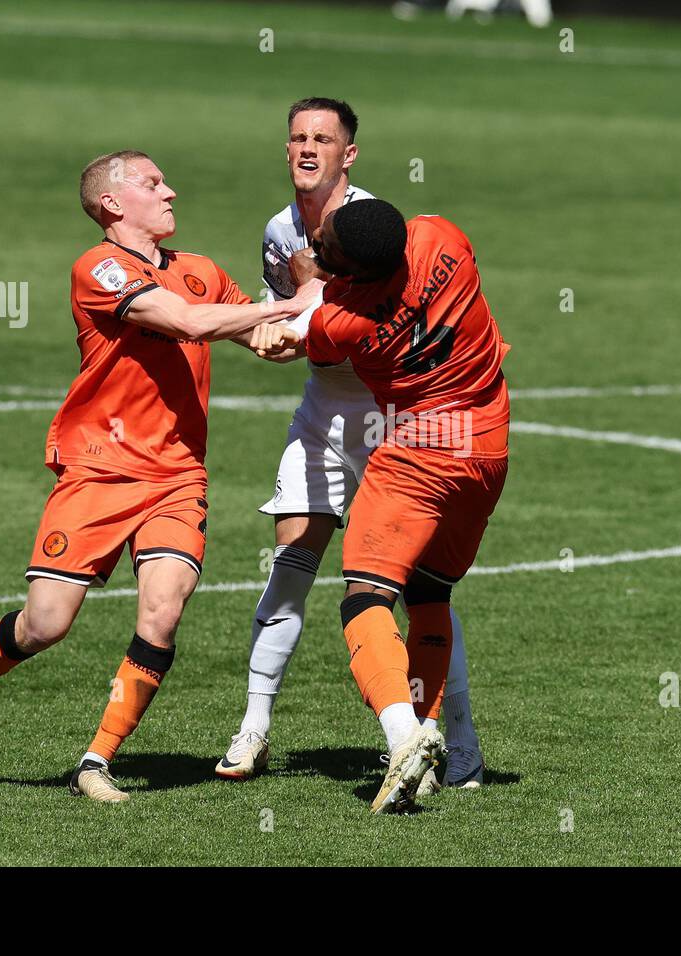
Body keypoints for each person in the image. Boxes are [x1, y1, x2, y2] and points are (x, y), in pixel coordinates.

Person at [0, 150, 319, 802]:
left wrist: (316, 309)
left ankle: (94, 763)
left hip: (177, 476)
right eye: (153, 183)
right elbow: (187, 323)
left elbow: (269, 344)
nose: (171, 191)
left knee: (163, 614)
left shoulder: (201, 271)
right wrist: (288, 301)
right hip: (99, 472)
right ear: (112, 204)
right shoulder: (97, 267)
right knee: (46, 624)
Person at [218, 99, 485, 792]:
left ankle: (453, 740)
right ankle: (254, 727)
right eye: (298, 137)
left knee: (407, 590)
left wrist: (271, 308)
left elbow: (315, 319)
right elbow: (288, 326)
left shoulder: (367, 230)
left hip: (395, 426)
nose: (308, 149)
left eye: (323, 139)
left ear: (349, 155)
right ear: (285, 149)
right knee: (291, 563)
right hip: (328, 415)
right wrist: (279, 319)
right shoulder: (283, 230)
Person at [260, 198, 510, 812]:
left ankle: (403, 736)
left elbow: (305, 342)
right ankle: (432, 758)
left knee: (365, 597)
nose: (312, 250)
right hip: (488, 445)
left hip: (419, 452)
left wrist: (291, 308)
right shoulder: (443, 235)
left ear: (351, 273)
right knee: (431, 596)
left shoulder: (343, 321)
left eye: (324, 251)